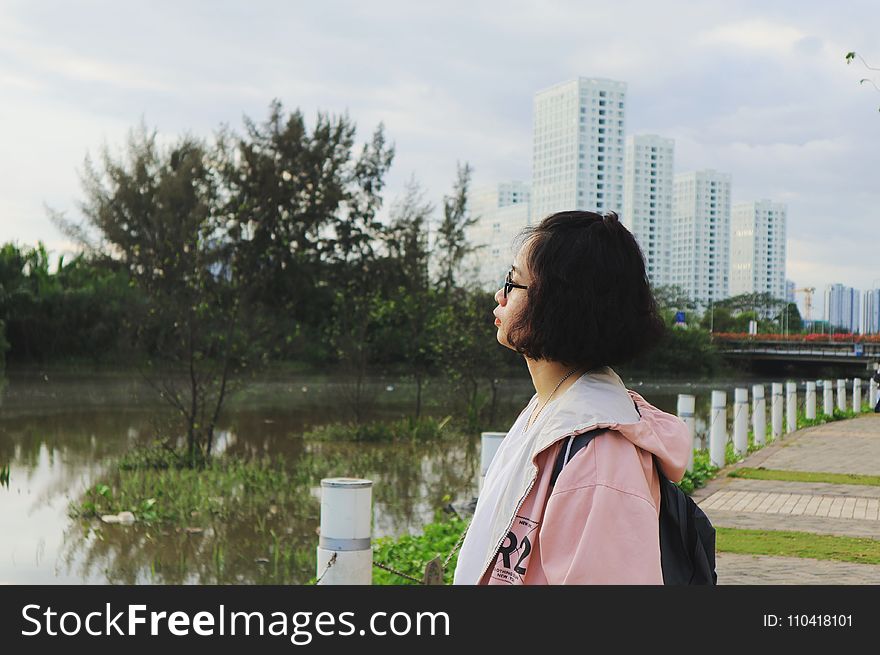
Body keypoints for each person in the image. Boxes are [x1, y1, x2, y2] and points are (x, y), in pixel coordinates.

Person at [453, 210, 691, 585]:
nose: (500, 295)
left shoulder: (597, 459)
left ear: (558, 303)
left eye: (512, 283)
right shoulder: (549, 407)